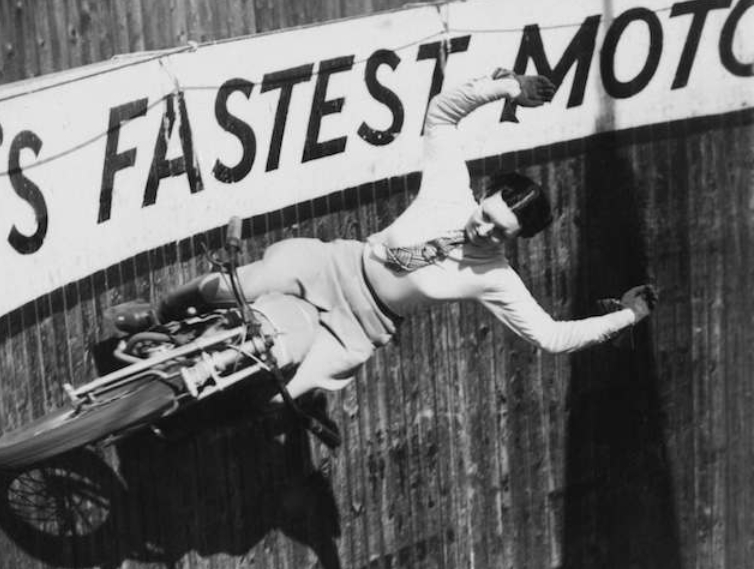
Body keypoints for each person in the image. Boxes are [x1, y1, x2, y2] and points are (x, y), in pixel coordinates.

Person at [116, 68, 656, 398]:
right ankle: (162, 311)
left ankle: (185, 419)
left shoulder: (496, 278)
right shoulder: (451, 189)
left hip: (360, 329)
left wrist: (627, 315)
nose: (482, 225)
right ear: (485, 193)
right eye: (488, 211)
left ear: (516, 240)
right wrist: (506, 87)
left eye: (499, 229)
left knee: (276, 397)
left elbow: (552, 337)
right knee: (244, 283)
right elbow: (441, 115)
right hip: (333, 267)